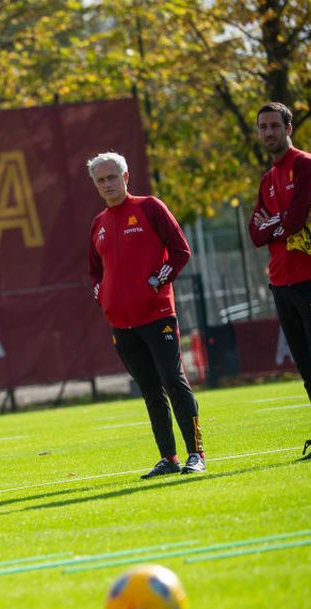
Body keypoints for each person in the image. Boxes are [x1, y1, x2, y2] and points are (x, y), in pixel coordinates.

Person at [87, 152, 205, 479]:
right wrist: (103, 295)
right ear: (95, 185)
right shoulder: (98, 225)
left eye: (112, 177)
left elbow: (181, 250)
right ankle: (168, 458)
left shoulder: (150, 207)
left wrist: (159, 280)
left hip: (158, 315)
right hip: (121, 325)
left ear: (126, 177)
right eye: (101, 180)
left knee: (172, 379)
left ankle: (197, 454)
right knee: (150, 390)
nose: (107, 184)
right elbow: (95, 272)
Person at [250, 102, 311, 459]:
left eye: (274, 125)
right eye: (263, 127)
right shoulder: (267, 179)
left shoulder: (306, 164)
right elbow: (255, 234)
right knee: (306, 365)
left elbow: (291, 222)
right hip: (281, 280)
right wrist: (278, 222)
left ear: (288, 128)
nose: (268, 132)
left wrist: (273, 222)